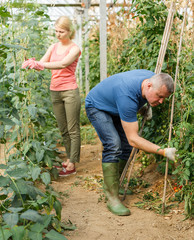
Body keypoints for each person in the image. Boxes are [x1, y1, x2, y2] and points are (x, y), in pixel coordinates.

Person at [85, 69, 177, 216]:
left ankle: (115, 183)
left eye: (164, 98)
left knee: (126, 147)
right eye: (159, 97)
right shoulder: (127, 96)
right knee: (113, 144)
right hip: (98, 107)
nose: (161, 102)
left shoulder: (152, 79)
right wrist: (164, 151)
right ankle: (111, 197)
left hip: (116, 106)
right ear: (148, 86)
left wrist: (143, 107)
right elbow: (133, 139)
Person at [22, 16, 81, 177]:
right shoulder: (53, 47)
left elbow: (63, 64)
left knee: (73, 129)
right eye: (56, 31)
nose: (58, 34)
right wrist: (31, 63)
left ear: (70, 31)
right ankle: (69, 158)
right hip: (55, 91)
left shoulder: (74, 49)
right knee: (63, 129)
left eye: (61, 31)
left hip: (70, 91)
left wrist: (40, 64)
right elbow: (42, 64)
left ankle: (72, 164)